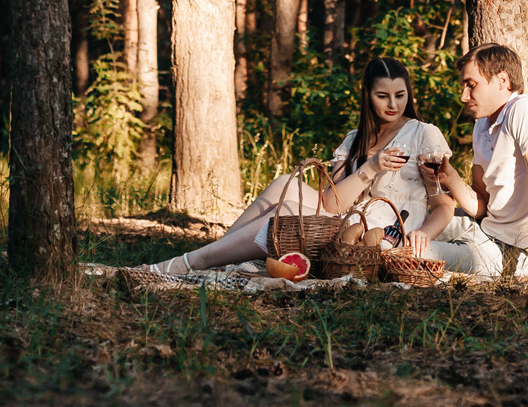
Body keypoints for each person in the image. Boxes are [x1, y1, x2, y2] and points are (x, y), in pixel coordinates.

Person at [141, 58, 456, 276]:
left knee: (291, 207)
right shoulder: (354, 139)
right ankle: (217, 253)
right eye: (382, 96)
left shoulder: (423, 133)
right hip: (349, 217)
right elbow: (331, 203)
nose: (393, 105)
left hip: (386, 230)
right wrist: (371, 166)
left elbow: (443, 203)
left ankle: (193, 262)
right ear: (367, 95)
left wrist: (424, 234)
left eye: (400, 95)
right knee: (282, 184)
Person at [435, 42, 528, 280]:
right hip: (484, 228)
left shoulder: (526, 110)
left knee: (417, 252)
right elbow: (481, 204)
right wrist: (449, 177)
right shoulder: (481, 125)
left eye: (471, 86)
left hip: (514, 250)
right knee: (408, 225)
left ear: (502, 80)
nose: (464, 96)